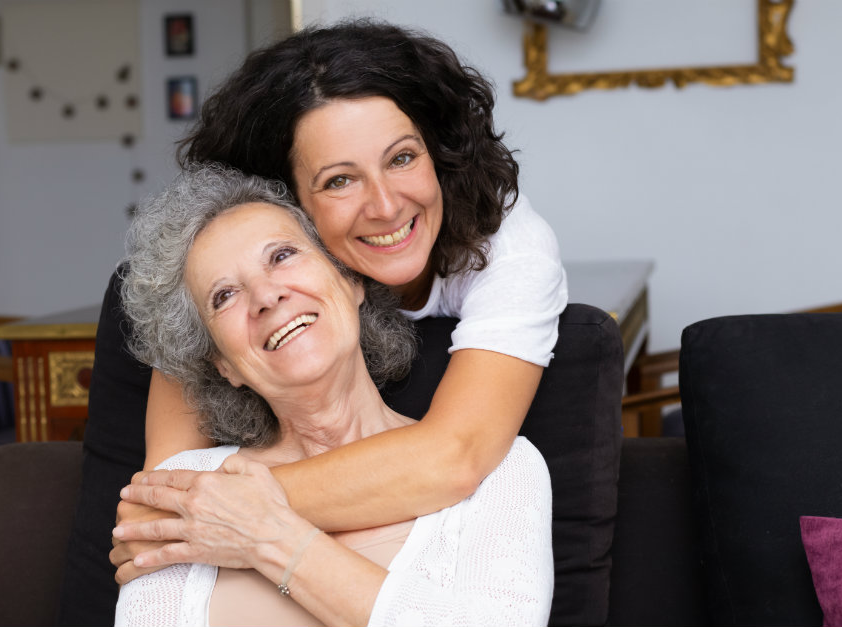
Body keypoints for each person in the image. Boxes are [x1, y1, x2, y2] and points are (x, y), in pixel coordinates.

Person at [55, 20, 567, 624]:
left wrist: (240, 519)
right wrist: (193, 507)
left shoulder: (512, 253)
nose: (384, 204)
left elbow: (455, 457)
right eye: (340, 179)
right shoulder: (235, 291)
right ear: (290, 203)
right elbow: (161, 507)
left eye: (402, 158)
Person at [114, 164, 553, 626]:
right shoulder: (184, 491)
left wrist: (272, 539)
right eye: (224, 295)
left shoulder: (499, 470)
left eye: (282, 255)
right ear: (222, 364)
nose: (265, 295)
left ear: (351, 280)